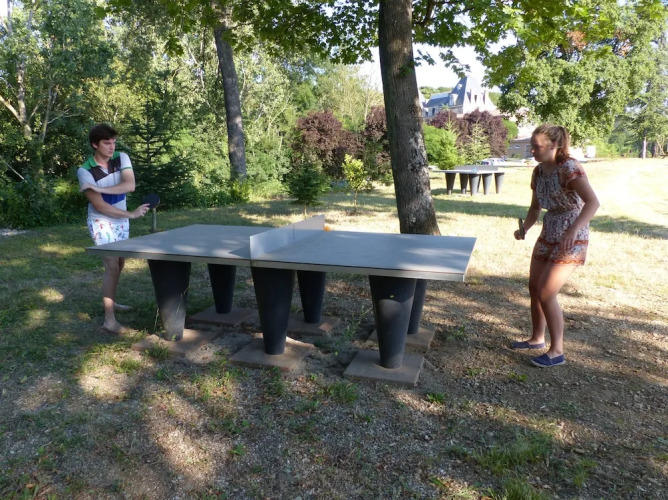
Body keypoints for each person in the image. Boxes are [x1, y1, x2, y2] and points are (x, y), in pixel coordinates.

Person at [512, 124, 600, 367]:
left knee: (546, 292)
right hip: (549, 231)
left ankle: (557, 351)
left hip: (572, 235)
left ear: (554, 145)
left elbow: (593, 202)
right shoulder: (538, 171)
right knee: (534, 287)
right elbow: (535, 207)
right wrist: (525, 228)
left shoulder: (570, 168)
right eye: (532, 146)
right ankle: (536, 339)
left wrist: (573, 229)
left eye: (536, 146)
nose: (532, 150)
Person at [78, 124, 150, 334]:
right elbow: (100, 206)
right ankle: (109, 320)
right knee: (111, 265)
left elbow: (129, 185)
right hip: (101, 220)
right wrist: (131, 214)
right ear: (95, 144)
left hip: (121, 219)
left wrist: (98, 188)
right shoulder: (85, 171)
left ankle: (111, 301)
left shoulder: (121, 158)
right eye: (106, 143)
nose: (112, 147)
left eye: (114, 142)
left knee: (120, 262)